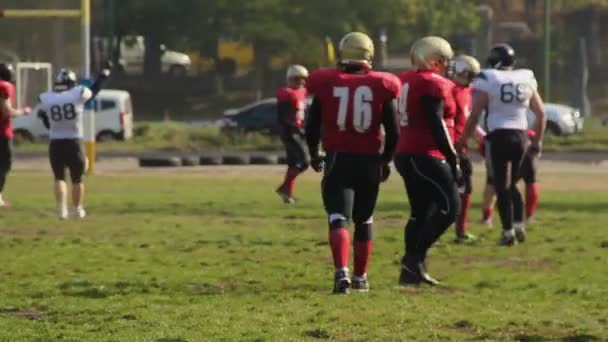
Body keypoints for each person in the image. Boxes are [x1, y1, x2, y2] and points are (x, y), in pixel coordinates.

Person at [305, 32, 400, 294]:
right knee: (364, 218)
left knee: (338, 216)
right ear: (369, 55)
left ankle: (341, 273)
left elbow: (311, 126)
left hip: (338, 158)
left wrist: (314, 153)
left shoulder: (326, 82)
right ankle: (360, 277)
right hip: (369, 160)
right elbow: (393, 131)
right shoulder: (382, 84)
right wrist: (386, 160)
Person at [458, 43, 546, 246]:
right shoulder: (525, 77)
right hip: (521, 136)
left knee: (501, 186)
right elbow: (541, 113)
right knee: (512, 184)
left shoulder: (489, 78)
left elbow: (475, 114)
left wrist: (463, 140)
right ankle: (518, 226)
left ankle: (508, 233)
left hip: (499, 136)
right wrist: (537, 142)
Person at [395, 36, 461, 286]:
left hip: (406, 152)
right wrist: (452, 155)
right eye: (443, 60)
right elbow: (436, 121)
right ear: (433, 61)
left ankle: (411, 271)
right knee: (450, 208)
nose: (447, 65)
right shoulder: (431, 83)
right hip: (426, 154)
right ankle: (413, 260)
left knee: (420, 213)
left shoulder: (405, 80)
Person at [36, 67, 110, 219]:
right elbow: (93, 92)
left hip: (56, 142)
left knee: (59, 177)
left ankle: (62, 210)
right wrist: (102, 77)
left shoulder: (46, 98)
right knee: (77, 179)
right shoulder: (78, 93)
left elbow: (44, 119)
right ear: (72, 82)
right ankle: (77, 210)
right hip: (74, 141)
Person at [450, 55, 482, 243]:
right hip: (449, 145)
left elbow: (467, 119)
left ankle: (461, 230)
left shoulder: (466, 91)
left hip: (460, 146)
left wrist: (482, 138)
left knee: (465, 188)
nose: (471, 80)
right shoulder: (449, 90)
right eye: (468, 75)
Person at [479, 128, 540, 225]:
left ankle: (487, 218)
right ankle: (529, 216)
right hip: (525, 138)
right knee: (530, 180)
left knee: (492, 182)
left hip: (497, 138)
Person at [275, 65, 309, 204]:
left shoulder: (302, 92)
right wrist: (295, 128)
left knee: (293, 164)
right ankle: (284, 187)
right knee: (304, 162)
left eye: (302, 79)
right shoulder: (286, 93)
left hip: (297, 131)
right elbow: (282, 117)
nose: (300, 82)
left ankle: (287, 194)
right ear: (290, 79)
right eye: (297, 79)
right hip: (290, 133)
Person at [0, 63, 31, 207]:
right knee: (4, 165)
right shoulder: (4, 86)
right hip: (2, 132)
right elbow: (7, 111)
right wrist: (22, 112)